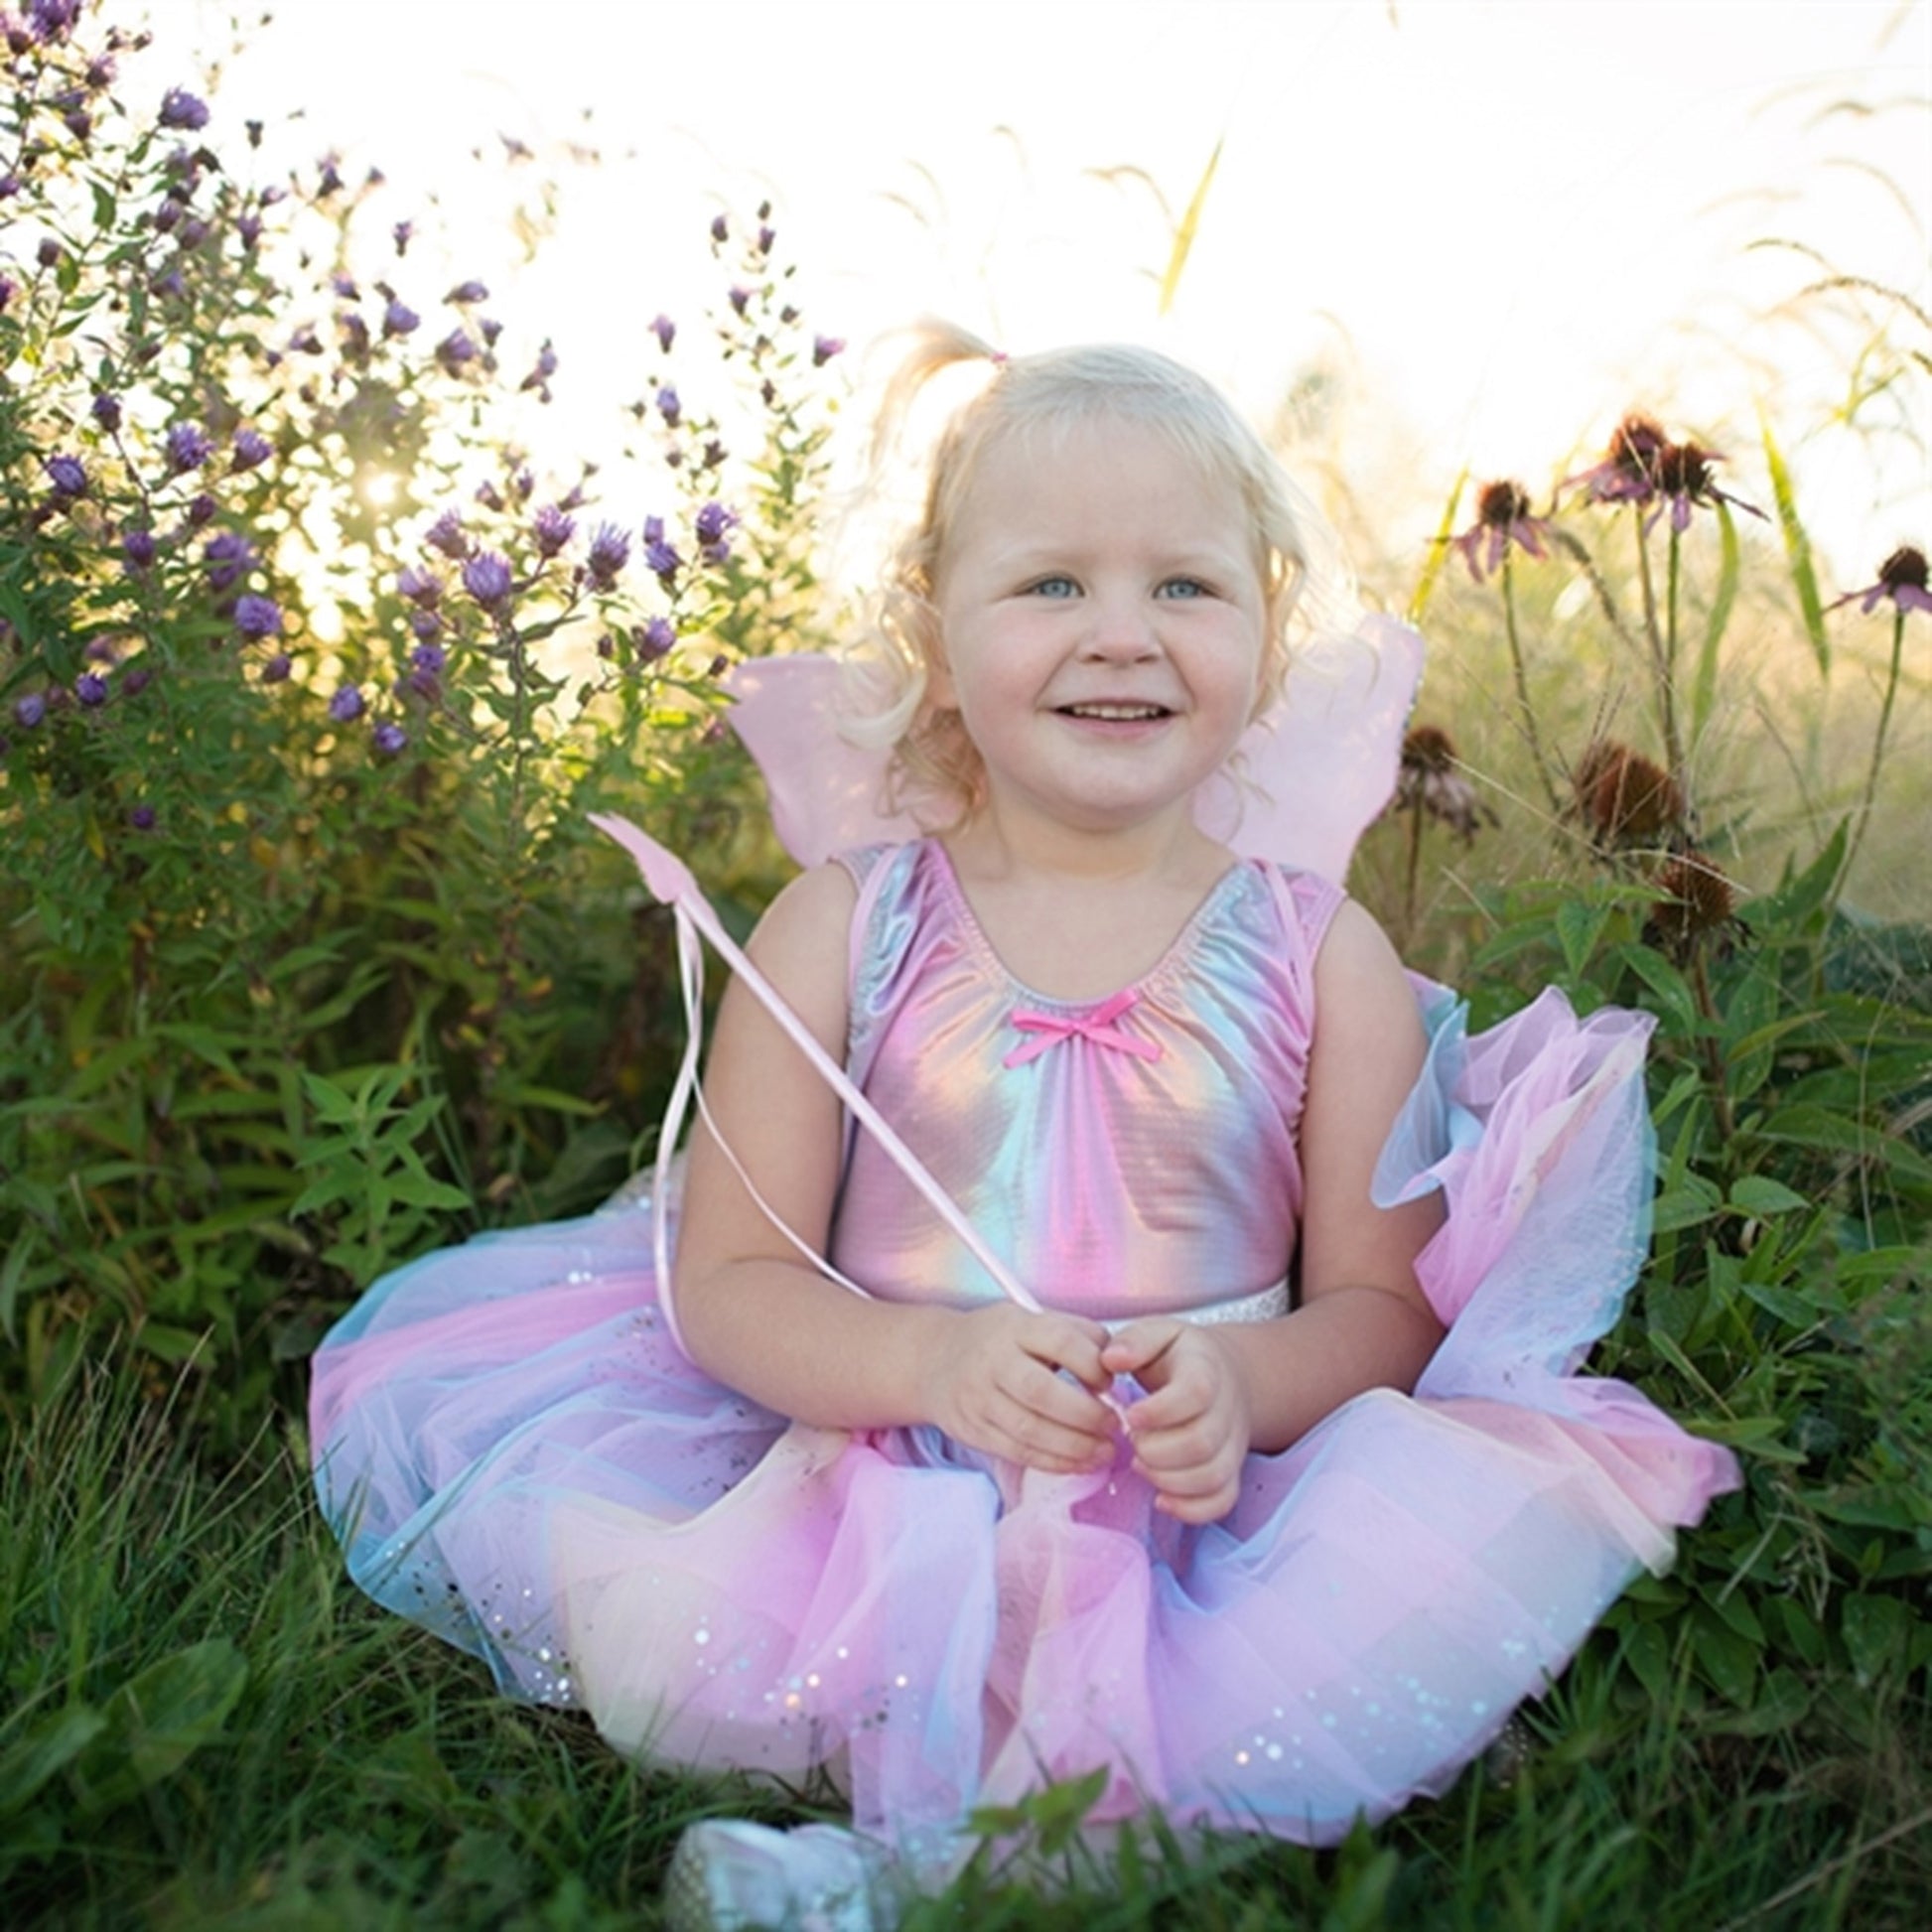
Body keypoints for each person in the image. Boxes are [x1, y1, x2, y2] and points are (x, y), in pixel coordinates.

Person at [311, 331, 1739, 1931]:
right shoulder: (845, 928)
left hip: (1200, 1493)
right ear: (932, 627)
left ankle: (896, 1880)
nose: (1119, 634)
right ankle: (918, 1844)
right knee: (907, 1613)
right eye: (1050, 584)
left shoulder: (1315, 953)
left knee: (1194, 1690)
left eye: (1185, 587)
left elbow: (1383, 1303)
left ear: (1268, 634)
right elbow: (723, 1274)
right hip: (881, 1457)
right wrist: (930, 1370)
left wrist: (1247, 1384)